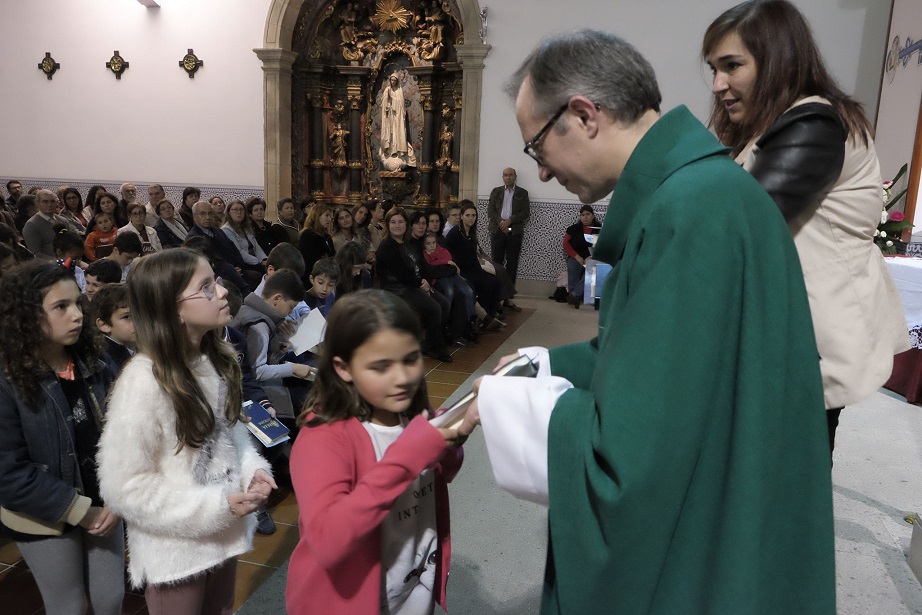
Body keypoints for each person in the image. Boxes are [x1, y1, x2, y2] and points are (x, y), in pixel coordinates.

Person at [456, 29, 836, 614]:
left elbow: (633, 462)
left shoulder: (687, 212)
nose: (544, 174)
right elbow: (660, 358)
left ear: (583, 115)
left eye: (536, 147)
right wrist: (544, 363)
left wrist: (514, 408)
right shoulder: (704, 190)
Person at [702, 0, 909, 458]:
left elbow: (745, 223)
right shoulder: (775, 125)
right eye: (714, 69)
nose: (717, 84)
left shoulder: (814, 122)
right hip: (784, 331)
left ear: (776, 59)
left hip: (808, 339)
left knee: (787, 476)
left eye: (732, 66)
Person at [97, 248, 275, 614]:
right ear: (173, 308)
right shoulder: (143, 381)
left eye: (216, 282)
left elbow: (228, 435)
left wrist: (252, 471)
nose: (222, 292)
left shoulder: (214, 358)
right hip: (178, 551)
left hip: (224, 533)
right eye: (206, 287)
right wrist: (215, 506)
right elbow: (125, 486)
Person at [285, 289, 465, 615]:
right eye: (381, 367)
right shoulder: (323, 437)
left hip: (412, 585)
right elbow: (327, 542)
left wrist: (452, 440)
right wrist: (412, 453)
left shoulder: (410, 411)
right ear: (344, 368)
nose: (402, 378)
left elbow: (440, 475)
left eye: (410, 359)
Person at [0, 261, 125, 615]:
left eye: (77, 303)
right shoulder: (7, 379)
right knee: (67, 606)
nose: (77, 315)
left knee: (110, 598)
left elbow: (123, 434)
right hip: (41, 513)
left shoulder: (95, 361)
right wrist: (78, 511)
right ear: (26, 316)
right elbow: (8, 474)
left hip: (104, 503)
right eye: (60, 306)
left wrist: (118, 495)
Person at [230, 268, 315, 419]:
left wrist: (278, 349)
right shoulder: (259, 326)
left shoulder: (245, 309)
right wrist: (293, 369)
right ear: (277, 299)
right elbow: (257, 371)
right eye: (291, 306)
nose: (290, 312)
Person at [376, 207, 454, 362]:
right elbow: (402, 275)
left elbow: (421, 264)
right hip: (397, 290)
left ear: (406, 224)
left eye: (400, 222)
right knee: (434, 308)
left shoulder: (407, 242)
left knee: (445, 303)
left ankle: (429, 343)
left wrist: (425, 280)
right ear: (388, 225)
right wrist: (421, 283)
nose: (397, 225)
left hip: (412, 285)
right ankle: (438, 348)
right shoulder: (387, 246)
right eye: (393, 222)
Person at [445, 201, 505, 331]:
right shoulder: (455, 233)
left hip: (473, 268)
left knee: (495, 281)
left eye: (473, 215)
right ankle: (482, 319)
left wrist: (479, 270)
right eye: (467, 215)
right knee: (485, 284)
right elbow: (451, 255)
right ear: (461, 216)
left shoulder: (471, 233)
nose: (470, 218)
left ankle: (490, 315)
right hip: (461, 270)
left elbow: (473, 255)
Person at [487, 167, 529, 303]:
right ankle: (496, 292)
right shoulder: (496, 191)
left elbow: (525, 213)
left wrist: (509, 221)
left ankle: (509, 295)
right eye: (505, 175)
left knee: (512, 262)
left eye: (510, 175)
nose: (508, 177)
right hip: (498, 229)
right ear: (502, 177)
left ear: (515, 176)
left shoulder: (522, 193)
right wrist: (502, 223)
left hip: (514, 230)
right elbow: (490, 211)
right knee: (496, 261)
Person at [562, 204, 601, 308]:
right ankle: (574, 297)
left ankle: (574, 295)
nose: (585, 217)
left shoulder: (599, 229)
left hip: (592, 257)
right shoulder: (573, 229)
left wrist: (591, 257)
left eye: (588, 214)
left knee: (591, 269)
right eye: (582, 215)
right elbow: (565, 244)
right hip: (575, 256)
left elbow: (602, 246)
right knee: (573, 266)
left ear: (593, 216)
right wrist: (577, 256)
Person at [92, 283, 136, 374]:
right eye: (127, 317)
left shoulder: (129, 350)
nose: (137, 322)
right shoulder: (103, 364)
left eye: (139, 315)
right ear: (104, 325)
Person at [222, 199, 268, 271]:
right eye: (235, 210)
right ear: (229, 212)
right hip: (242, 264)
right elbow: (239, 252)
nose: (239, 212)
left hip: (255, 262)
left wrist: (264, 260)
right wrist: (259, 262)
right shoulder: (226, 230)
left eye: (241, 209)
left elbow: (257, 248)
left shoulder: (246, 228)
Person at [22, 189, 63, 261]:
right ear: (37, 203)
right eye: (45, 202)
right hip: (47, 264)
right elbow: (35, 254)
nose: (49, 205)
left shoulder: (63, 221)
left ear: (57, 203)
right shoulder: (31, 225)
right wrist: (59, 262)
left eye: (52, 201)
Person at [298, 203, 335, 280]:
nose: (329, 219)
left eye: (330, 216)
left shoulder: (326, 236)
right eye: (327, 215)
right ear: (317, 216)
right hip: (312, 277)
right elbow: (310, 261)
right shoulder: (307, 235)